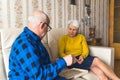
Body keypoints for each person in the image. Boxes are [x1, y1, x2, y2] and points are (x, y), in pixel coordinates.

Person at [8, 10, 76, 80]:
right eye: (48, 27)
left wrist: (54, 62)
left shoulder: (34, 39)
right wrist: (64, 61)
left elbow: (37, 63)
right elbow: (39, 76)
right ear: (42, 25)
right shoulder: (25, 43)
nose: (47, 31)